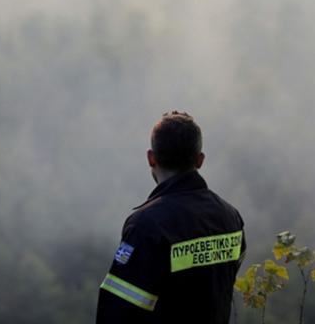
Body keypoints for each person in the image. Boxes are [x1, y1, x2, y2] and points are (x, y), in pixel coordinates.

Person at [96, 111, 246, 324]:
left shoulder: (146, 225)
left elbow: (117, 311)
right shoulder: (231, 217)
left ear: (151, 158)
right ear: (200, 160)